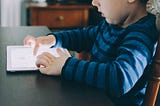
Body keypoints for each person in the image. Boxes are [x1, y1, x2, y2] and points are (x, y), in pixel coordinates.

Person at [24, 0, 159, 105]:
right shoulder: (112, 23)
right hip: (94, 96)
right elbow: (84, 36)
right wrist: (52, 39)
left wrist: (66, 65)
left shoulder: (142, 34)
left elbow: (120, 78)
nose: (94, 2)